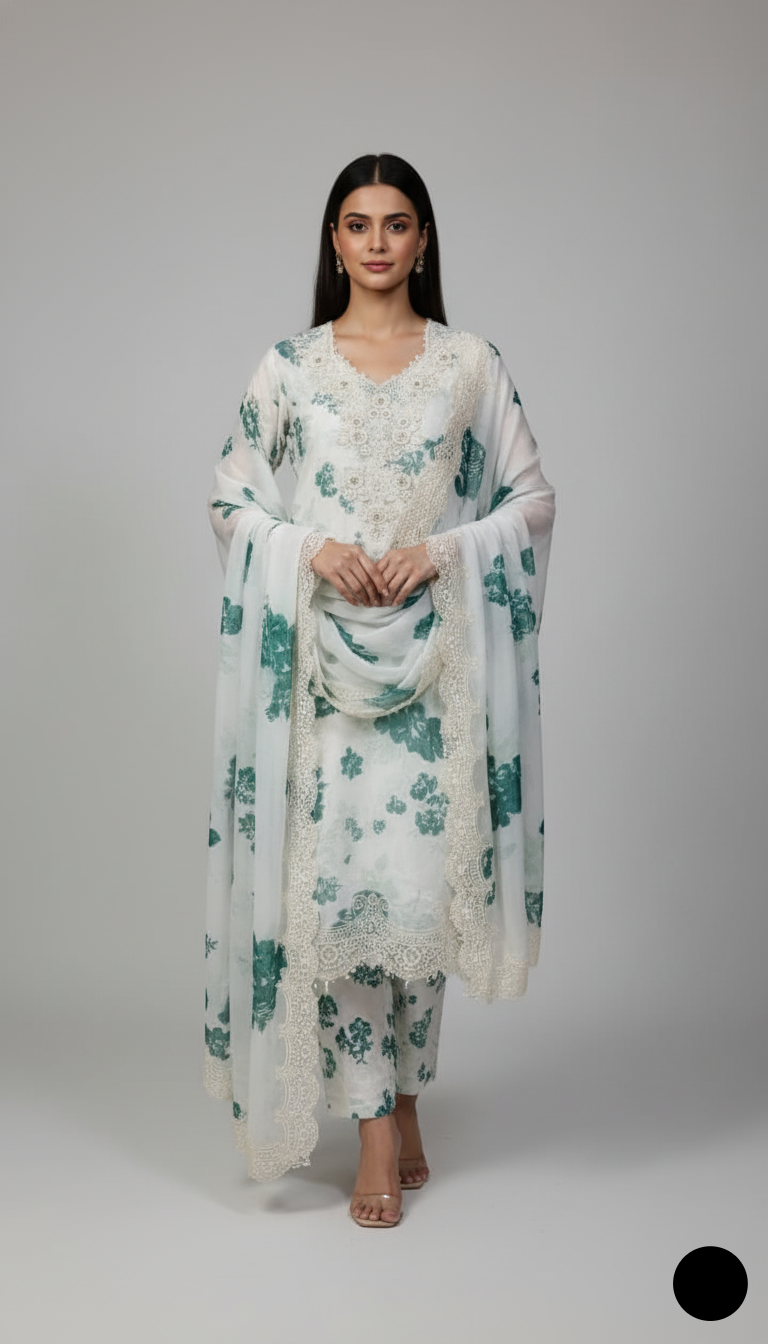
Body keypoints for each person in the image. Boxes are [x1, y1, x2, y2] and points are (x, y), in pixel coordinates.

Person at [204, 153, 556, 1228]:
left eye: (396, 224)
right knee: (341, 899)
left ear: (423, 240)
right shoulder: (290, 368)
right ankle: (368, 1126)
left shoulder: (469, 365)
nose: (376, 243)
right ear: (334, 239)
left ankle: (408, 1096)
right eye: (357, 224)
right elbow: (231, 500)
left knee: (421, 896)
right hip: (322, 670)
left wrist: (445, 553)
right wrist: (307, 549)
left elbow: (531, 500)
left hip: (437, 665)